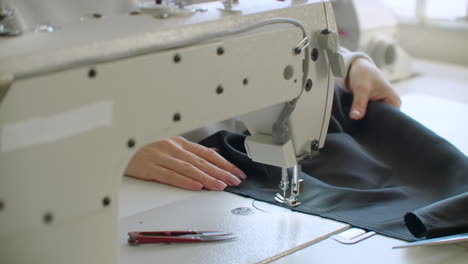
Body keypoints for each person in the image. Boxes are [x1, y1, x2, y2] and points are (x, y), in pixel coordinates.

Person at [125, 51, 401, 192]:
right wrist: (105, 151)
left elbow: (278, 42)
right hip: (130, 187)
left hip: (214, 178)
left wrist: (353, 64)